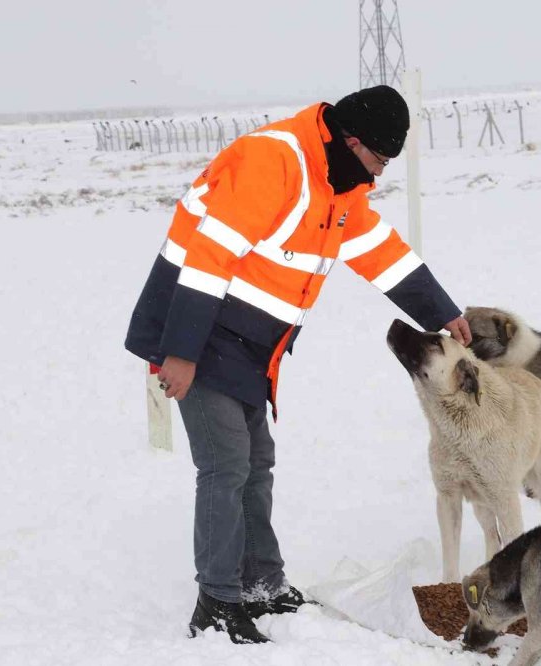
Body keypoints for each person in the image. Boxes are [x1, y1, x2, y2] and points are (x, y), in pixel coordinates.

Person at [124, 85, 471, 644]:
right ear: (352, 141)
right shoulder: (274, 160)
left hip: (248, 342)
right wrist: (180, 353)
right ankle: (217, 602)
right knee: (225, 464)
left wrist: (442, 311)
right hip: (195, 327)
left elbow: (378, 250)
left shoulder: (340, 184)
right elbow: (209, 257)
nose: (380, 173)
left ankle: (261, 583)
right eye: (380, 159)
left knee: (255, 461)